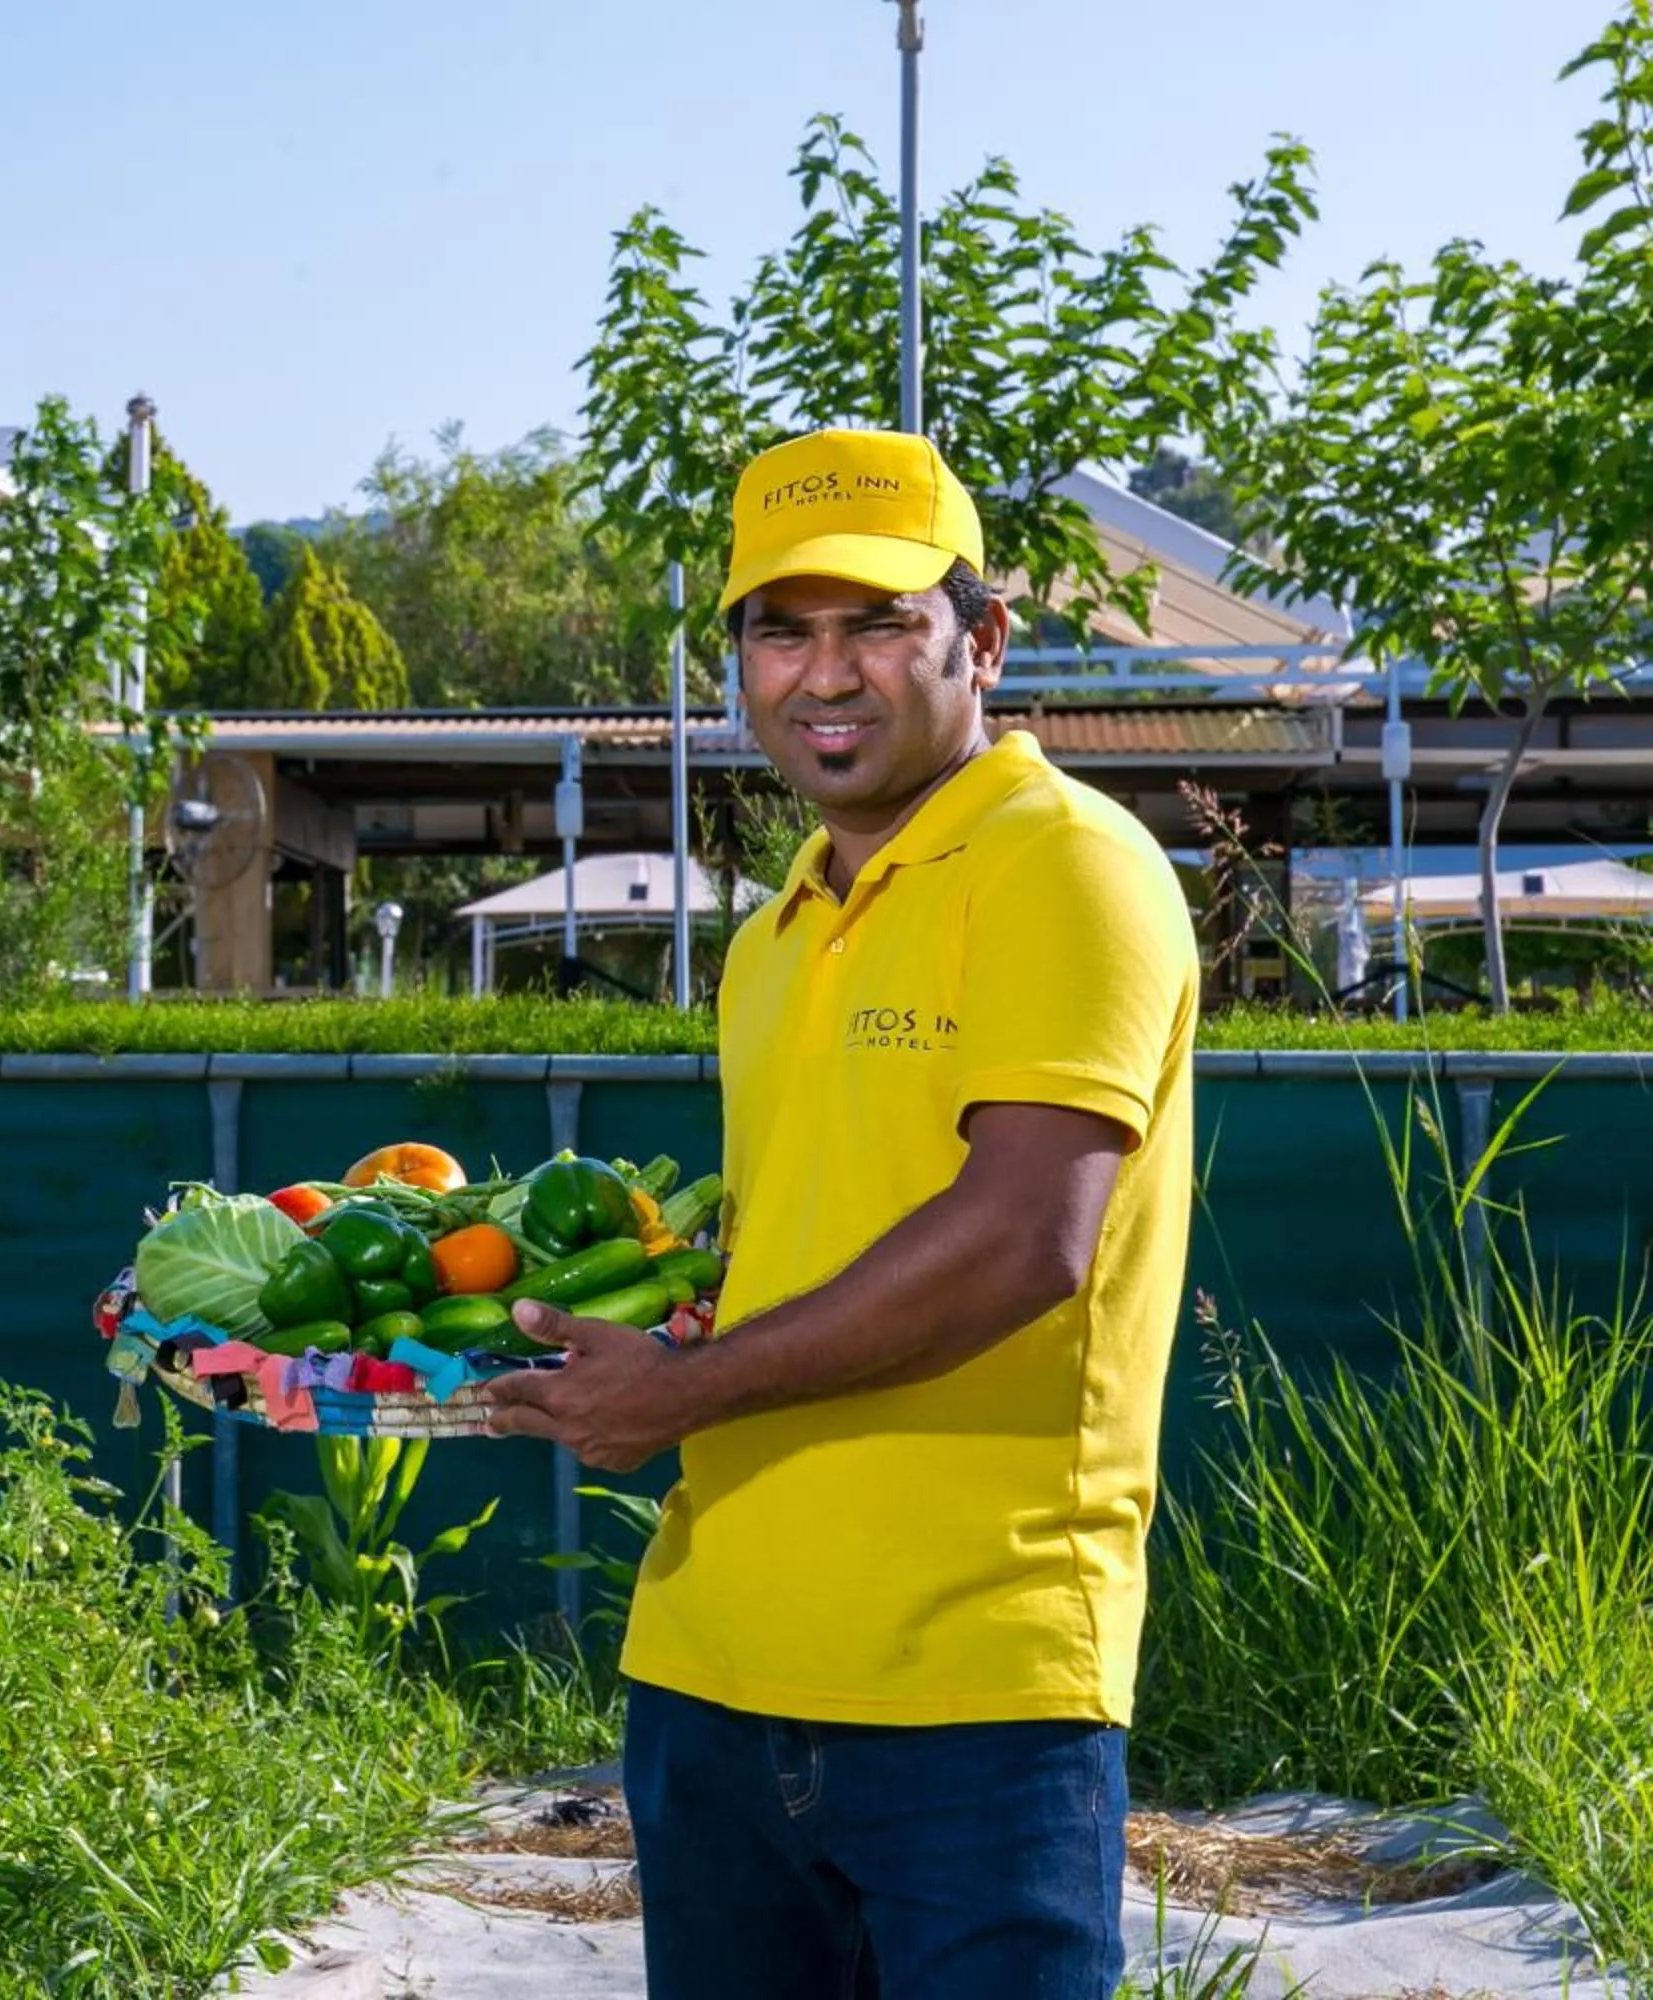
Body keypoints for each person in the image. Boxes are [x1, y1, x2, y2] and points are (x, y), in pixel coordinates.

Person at [484, 427, 1198, 2000]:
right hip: (710, 1672)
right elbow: (813, 1245)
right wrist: (645, 1330)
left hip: (974, 1691)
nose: (826, 674)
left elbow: (1027, 1238)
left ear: (983, 640)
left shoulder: (1066, 868)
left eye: (878, 623)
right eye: (779, 628)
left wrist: (683, 1391)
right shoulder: (775, 934)